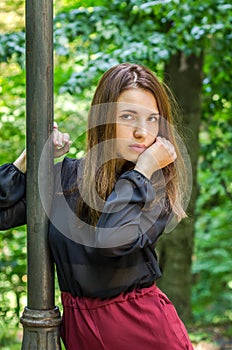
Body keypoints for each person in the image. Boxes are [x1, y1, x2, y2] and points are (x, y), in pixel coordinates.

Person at [0, 63, 194, 350]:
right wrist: (26, 162)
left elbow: (109, 240)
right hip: (81, 334)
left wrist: (143, 170)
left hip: (143, 331)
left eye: (152, 119)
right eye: (128, 116)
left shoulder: (152, 189)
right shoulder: (65, 179)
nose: (142, 131)